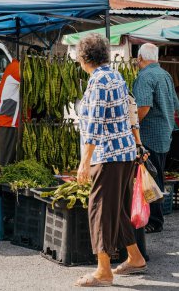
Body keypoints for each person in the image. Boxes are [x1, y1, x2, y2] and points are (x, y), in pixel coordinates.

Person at [75, 34, 146, 288]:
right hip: (124, 151)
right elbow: (131, 108)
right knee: (117, 209)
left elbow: (94, 123)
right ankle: (135, 257)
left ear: (84, 58)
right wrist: (136, 143)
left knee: (100, 210)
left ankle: (103, 270)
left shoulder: (98, 81)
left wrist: (85, 161)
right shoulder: (115, 75)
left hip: (107, 154)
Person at [133, 43, 179, 234]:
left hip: (149, 135)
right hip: (164, 134)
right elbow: (175, 103)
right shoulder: (165, 75)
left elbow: (143, 107)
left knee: (150, 179)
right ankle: (154, 219)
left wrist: (132, 126)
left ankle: (154, 220)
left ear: (140, 58)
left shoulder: (145, 76)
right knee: (156, 176)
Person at [0, 59, 20, 175]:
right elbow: (33, 79)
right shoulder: (16, 68)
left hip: (12, 122)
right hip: (6, 122)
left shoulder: (15, 67)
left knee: (8, 163)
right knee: (2, 165)